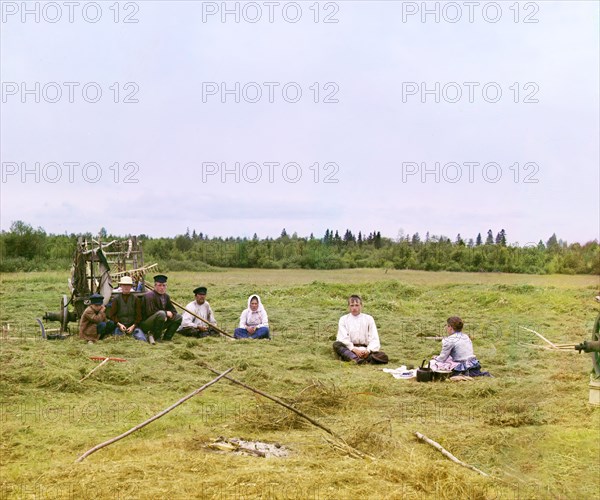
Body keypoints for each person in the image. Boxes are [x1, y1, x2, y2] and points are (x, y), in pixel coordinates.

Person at [333, 295, 388, 364]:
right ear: (348, 307)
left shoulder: (369, 319)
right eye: (352, 305)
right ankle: (356, 359)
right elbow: (343, 338)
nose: (354, 308)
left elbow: (374, 338)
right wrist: (353, 349)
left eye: (357, 305)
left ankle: (360, 359)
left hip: (365, 350)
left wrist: (368, 351)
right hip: (351, 349)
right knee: (336, 344)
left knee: (383, 356)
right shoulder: (343, 319)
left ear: (361, 306)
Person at [139, 275, 182, 344]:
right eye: (159, 285)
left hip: (159, 322)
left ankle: (167, 338)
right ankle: (157, 337)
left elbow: (173, 310)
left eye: (164, 285)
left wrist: (170, 314)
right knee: (161, 314)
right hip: (146, 324)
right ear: (155, 286)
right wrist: (165, 313)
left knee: (178, 317)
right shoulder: (149, 295)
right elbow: (150, 312)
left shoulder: (166, 296)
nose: (162, 288)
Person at [109, 276, 146, 342]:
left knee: (142, 339)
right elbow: (112, 315)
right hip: (120, 326)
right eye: (124, 285)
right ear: (121, 286)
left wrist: (133, 326)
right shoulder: (116, 299)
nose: (126, 287)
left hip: (133, 326)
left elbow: (139, 316)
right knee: (116, 340)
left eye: (128, 285)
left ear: (131, 286)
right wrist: (119, 325)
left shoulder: (136, 299)